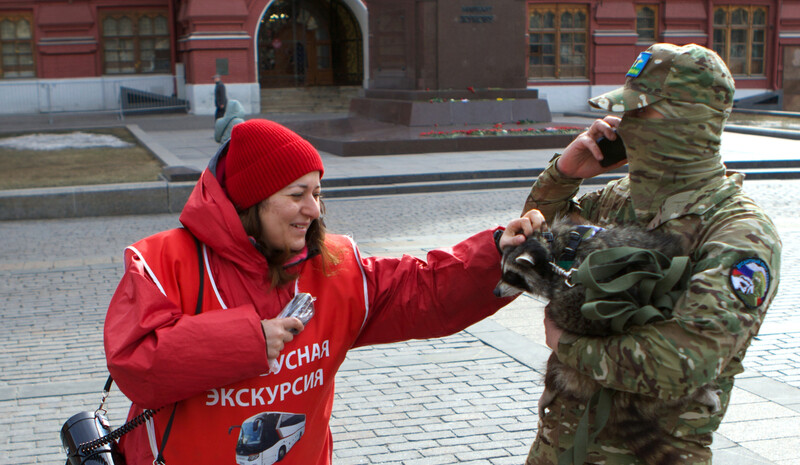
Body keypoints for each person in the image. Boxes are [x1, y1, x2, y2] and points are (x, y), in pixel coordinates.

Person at [103, 118, 544, 465]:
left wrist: (496, 255)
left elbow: (422, 290)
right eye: (297, 194)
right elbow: (136, 362)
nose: (313, 210)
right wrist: (248, 341)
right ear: (251, 200)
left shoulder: (335, 266)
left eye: (317, 192)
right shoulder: (164, 262)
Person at [521, 43, 782, 464]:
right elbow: (536, 252)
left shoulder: (738, 233)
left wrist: (567, 344)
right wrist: (564, 175)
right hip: (560, 449)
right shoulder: (619, 199)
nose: (624, 125)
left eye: (640, 113)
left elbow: (681, 363)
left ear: (688, 122)